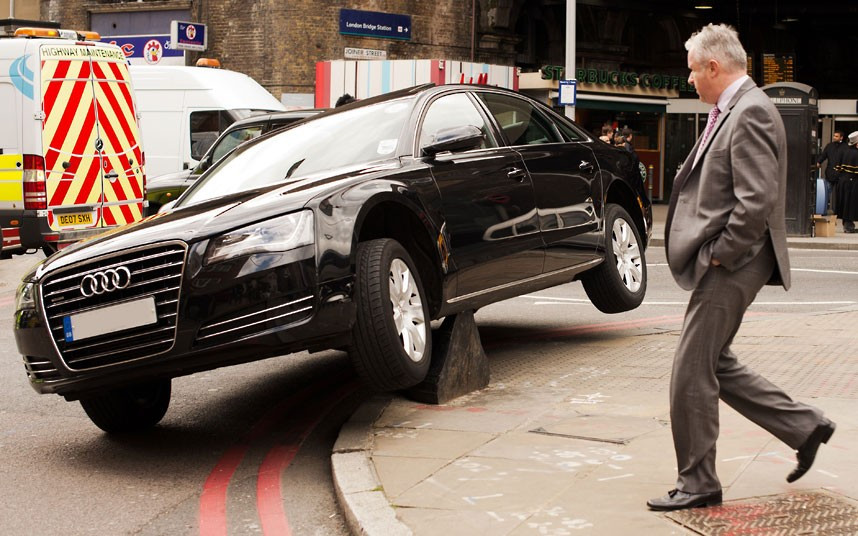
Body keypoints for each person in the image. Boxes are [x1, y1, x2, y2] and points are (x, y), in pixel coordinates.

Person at [648, 23, 836, 512]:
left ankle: (699, 483)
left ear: (714, 66)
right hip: (732, 258)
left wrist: (721, 254)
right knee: (715, 363)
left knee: (691, 370)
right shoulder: (732, 108)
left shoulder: (750, 110)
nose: (689, 80)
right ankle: (806, 427)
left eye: (692, 71)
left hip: (735, 261)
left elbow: (756, 201)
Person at [834, 131, 858, 233]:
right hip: (853, 182)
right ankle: (849, 226)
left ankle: (847, 225)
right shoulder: (856, 153)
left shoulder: (843, 151)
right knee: (850, 204)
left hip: (842, 181)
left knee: (845, 203)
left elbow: (837, 167)